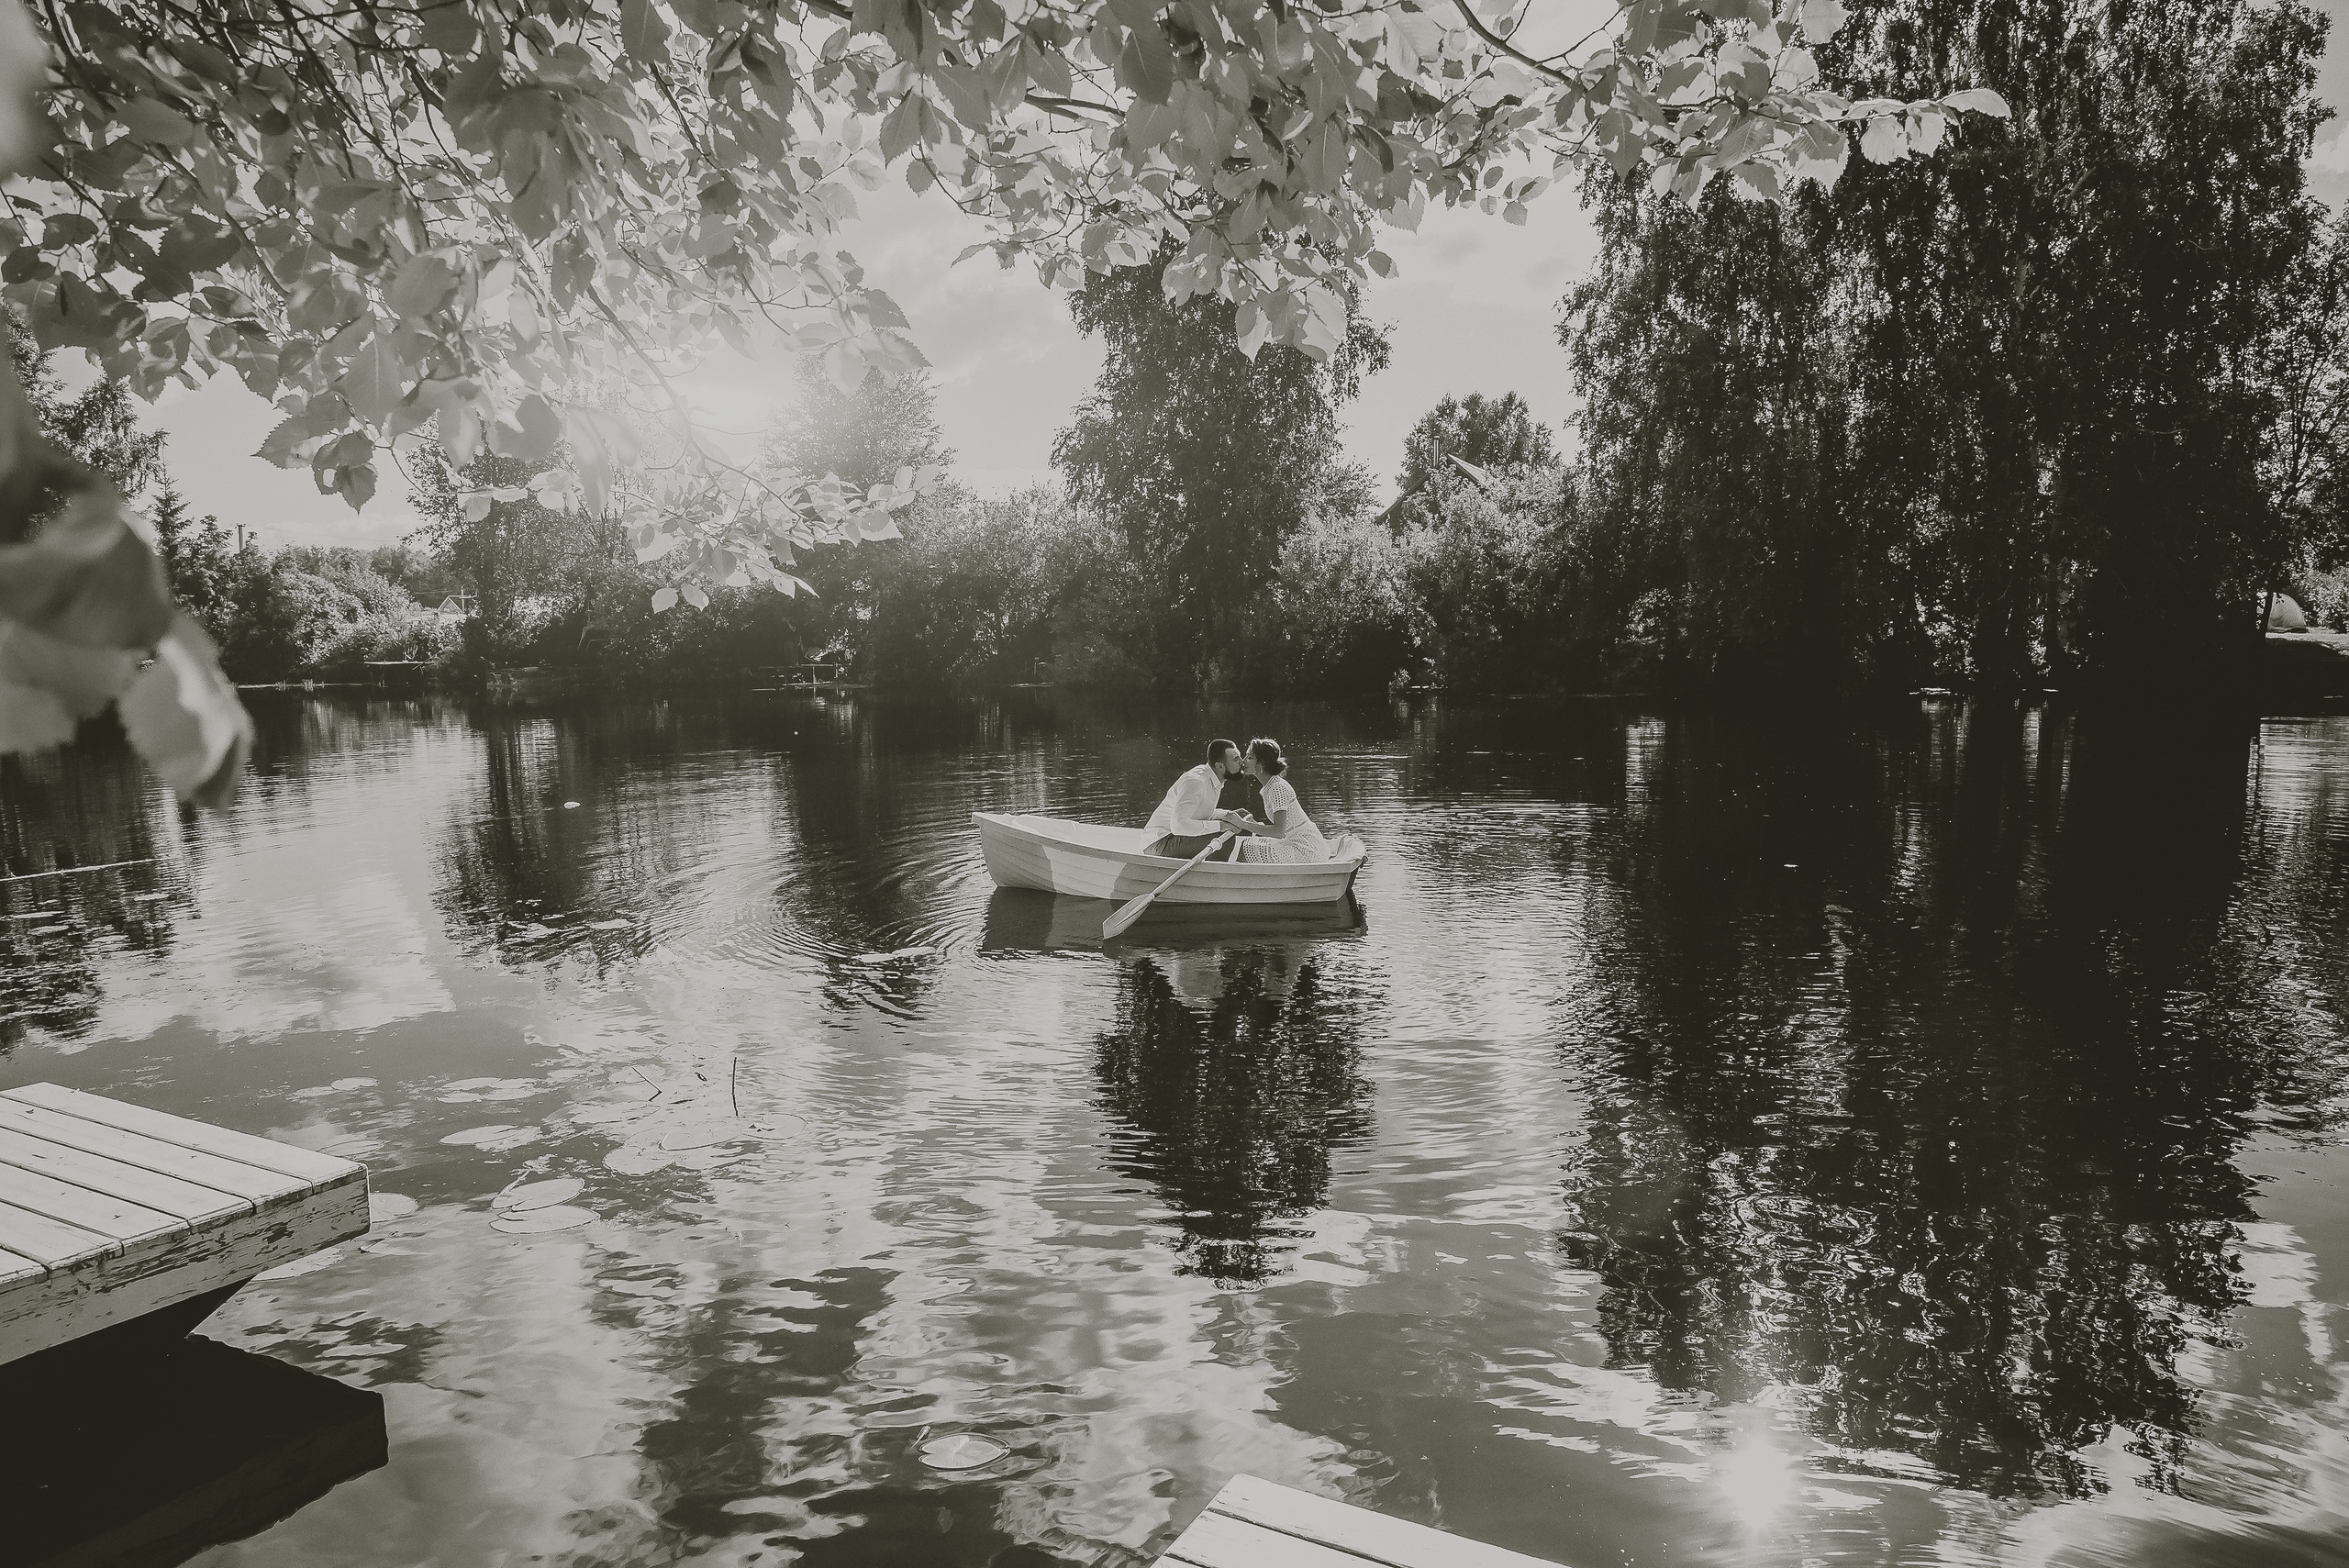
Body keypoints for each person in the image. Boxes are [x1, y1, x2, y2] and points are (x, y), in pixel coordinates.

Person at [1219, 738, 1329, 863]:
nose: (1243, 761)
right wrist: (1253, 823)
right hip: (1295, 842)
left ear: (1261, 765)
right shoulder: (1271, 785)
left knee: (1247, 848)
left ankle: (1237, 881)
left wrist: (1244, 824)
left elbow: (1278, 832)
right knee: (1247, 843)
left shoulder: (1277, 788)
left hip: (1306, 849)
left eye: (1249, 757)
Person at [1145, 740, 1248, 859]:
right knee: (1225, 840)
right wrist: (1221, 825)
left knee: (1241, 816)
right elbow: (1179, 826)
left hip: (1174, 837)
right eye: (1236, 759)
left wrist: (1227, 815)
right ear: (1220, 766)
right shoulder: (1196, 782)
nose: (1242, 762)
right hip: (1160, 843)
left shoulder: (1212, 775)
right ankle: (1213, 876)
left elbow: (1198, 813)